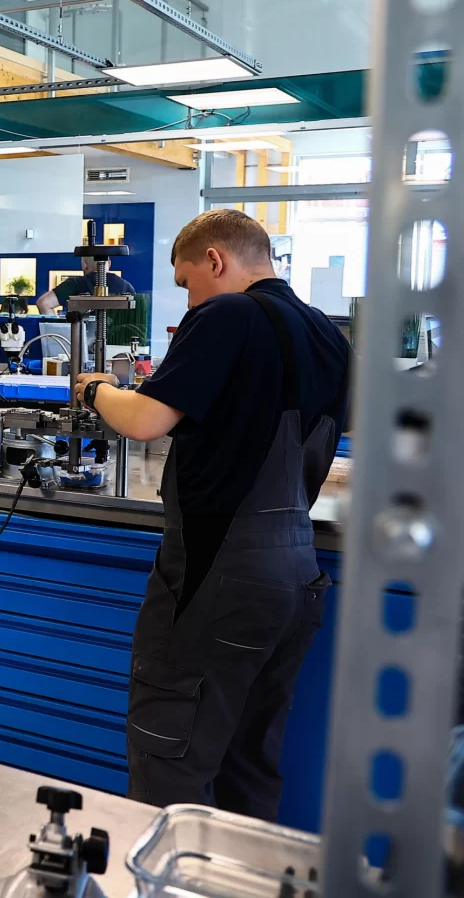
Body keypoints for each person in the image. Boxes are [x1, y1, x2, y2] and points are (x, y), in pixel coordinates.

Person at [72, 209, 349, 821]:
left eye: (186, 281)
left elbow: (145, 420)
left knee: (169, 762)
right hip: (295, 576)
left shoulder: (226, 314)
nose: (189, 298)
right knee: (249, 762)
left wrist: (95, 389)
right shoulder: (327, 333)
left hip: (217, 577)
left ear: (215, 260)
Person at [36, 252, 136, 315]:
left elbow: (43, 303)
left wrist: (59, 332)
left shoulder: (74, 284)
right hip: (118, 341)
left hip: (81, 340)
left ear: (84, 265)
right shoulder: (126, 286)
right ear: (109, 263)